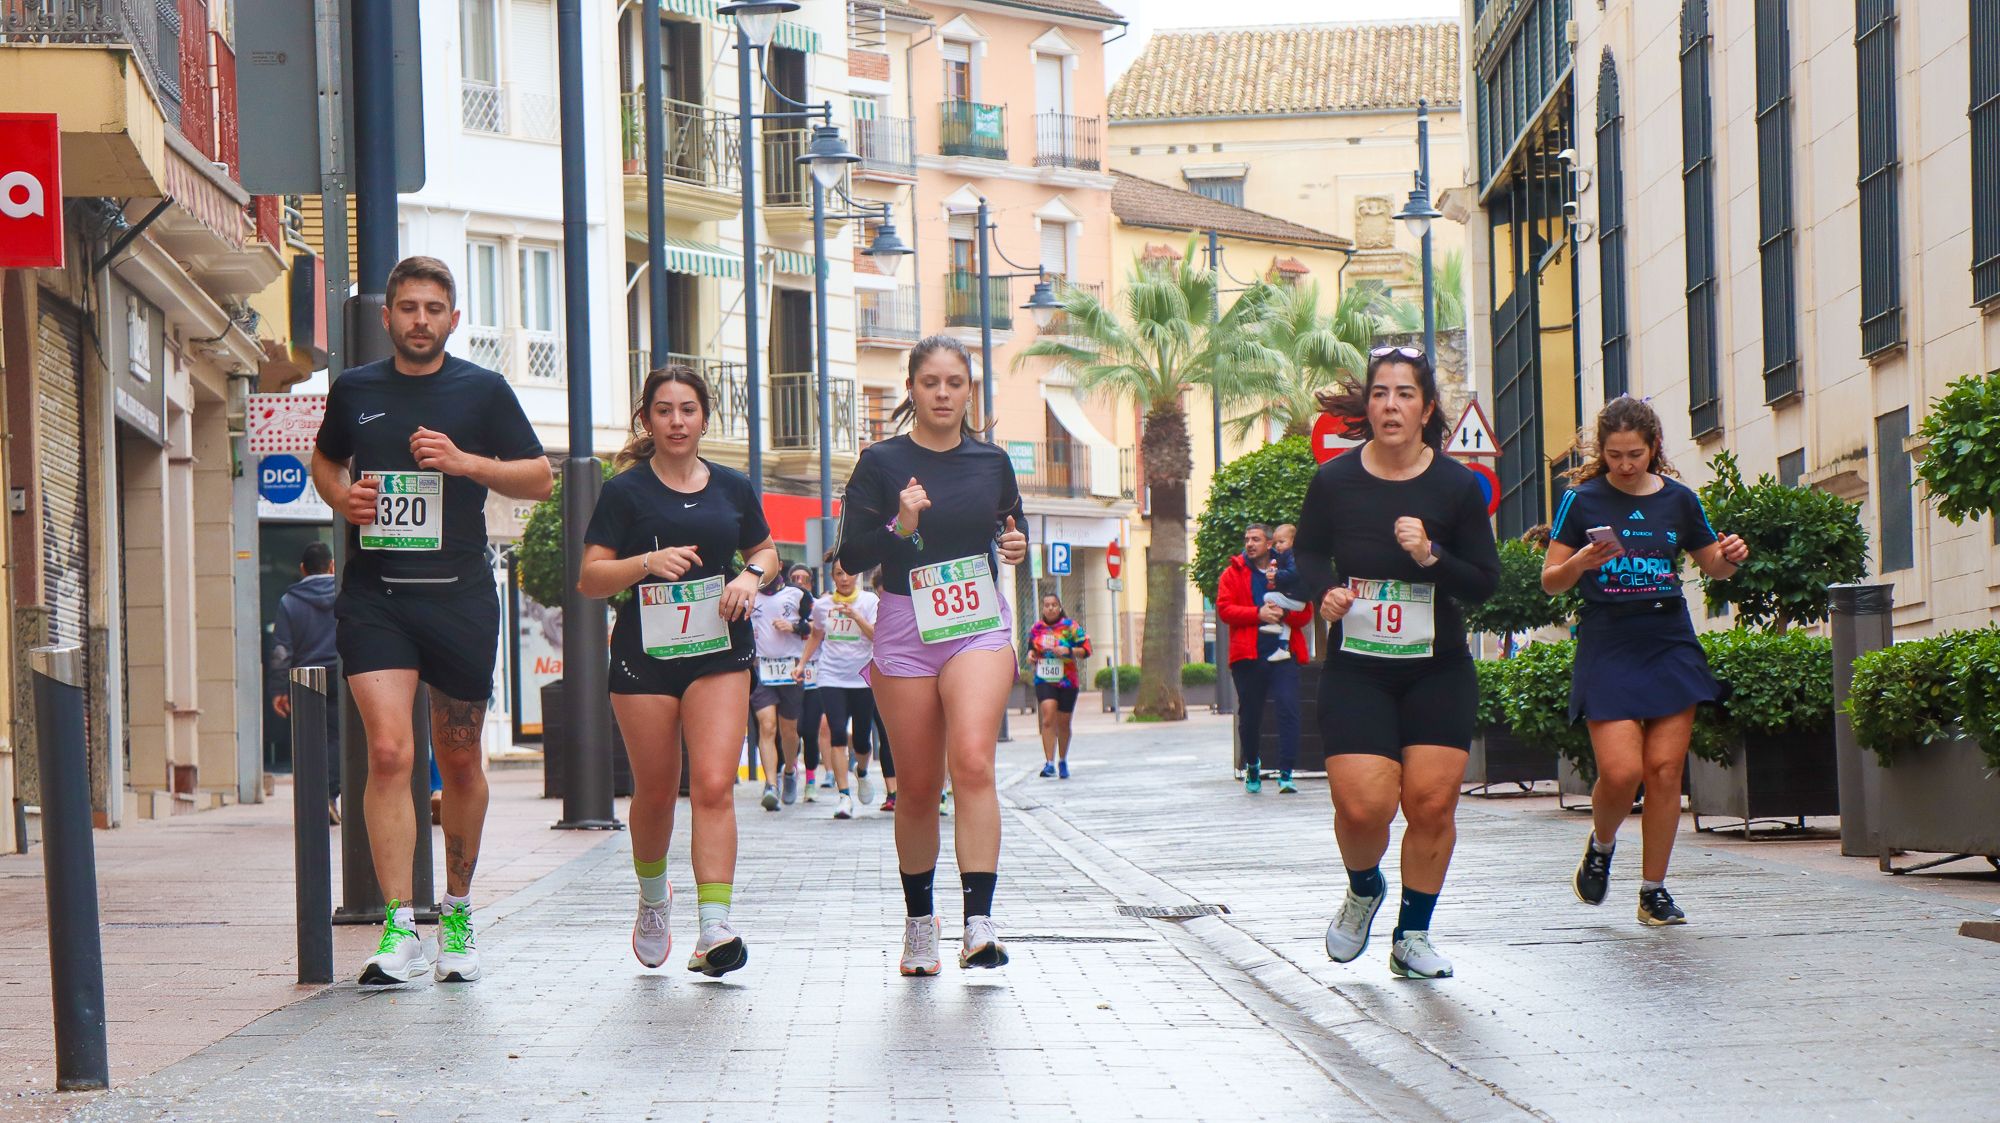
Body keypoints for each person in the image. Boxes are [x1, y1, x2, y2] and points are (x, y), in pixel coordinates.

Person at [309, 256, 553, 986]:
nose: (420, 319)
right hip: (377, 595)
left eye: (433, 307)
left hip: (459, 596)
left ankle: (457, 911)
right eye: (407, 307)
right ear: (387, 317)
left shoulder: (483, 390)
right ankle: (397, 924)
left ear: (453, 318)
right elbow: (325, 461)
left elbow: (540, 476)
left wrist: (465, 461)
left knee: (459, 757)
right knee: (388, 752)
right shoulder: (355, 389)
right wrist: (342, 495)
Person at [1293, 346, 1501, 981]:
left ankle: (1413, 934)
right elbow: (1305, 556)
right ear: (1368, 405)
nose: (1391, 405)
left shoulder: (1455, 486)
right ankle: (1363, 888)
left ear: (1426, 408)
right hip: (1358, 669)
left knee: (1432, 805)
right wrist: (1322, 591)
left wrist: (1432, 554)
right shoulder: (1334, 481)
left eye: (1405, 394)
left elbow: (1485, 583)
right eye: (1380, 393)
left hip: (1436, 670)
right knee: (1362, 809)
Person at [836, 334, 1027, 975]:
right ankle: (921, 924)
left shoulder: (992, 462)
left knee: (971, 761)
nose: (943, 394)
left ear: (970, 390)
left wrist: (1018, 546)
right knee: (918, 787)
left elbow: (1011, 525)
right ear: (910, 389)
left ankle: (979, 922)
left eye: (955, 383)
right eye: (930, 383)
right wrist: (902, 526)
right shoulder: (881, 463)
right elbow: (853, 558)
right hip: (903, 626)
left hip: (975, 622)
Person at [579, 365, 774, 975]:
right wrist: (645, 561)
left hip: (719, 651)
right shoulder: (625, 492)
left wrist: (749, 576)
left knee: (714, 784)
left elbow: (765, 550)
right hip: (646, 659)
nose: (676, 421)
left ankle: (714, 925)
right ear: (647, 420)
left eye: (687, 409)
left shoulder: (734, 487)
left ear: (705, 418)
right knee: (657, 790)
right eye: (663, 410)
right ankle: (654, 898)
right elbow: (590, 579)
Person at [1543, 395, 1748, 927]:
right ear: (1602, 452)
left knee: (1663, 771)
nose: (1625, 465)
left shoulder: (1680, 500)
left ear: (1654, 447)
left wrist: (1728, 558)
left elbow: (1713, 568)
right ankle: (1602, 844)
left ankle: (1653, 890)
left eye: (1635, 453)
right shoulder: (1582, 500)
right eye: (1614, 455)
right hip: (1608, 639)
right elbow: (1551, 579)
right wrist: (1583, 561)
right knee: (1622, 769)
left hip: (1668, 638)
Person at [1216, 524, 1311, 794]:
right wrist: (1258, 614)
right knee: (1250, 716)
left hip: (1284, 655)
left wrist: (1282, 615)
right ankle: (1253, 764)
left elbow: (1304, 613)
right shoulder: (1232, 573)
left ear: (1269, 544)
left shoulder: (1288, 571)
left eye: (1255, 539)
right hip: (1248, 656)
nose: (1249, 544)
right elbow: (1224, 610)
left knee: (1288, 709)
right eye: (1247, 539)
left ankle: (1287, 773)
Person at [797, 556, 880, 818]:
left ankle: (863, 772)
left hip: (862, 677)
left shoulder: (869, 602)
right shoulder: (822, 606)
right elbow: (816, 635)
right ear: (832, 577)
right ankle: (844, 796)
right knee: (836, 732)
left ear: (856, 575)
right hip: (831, 676)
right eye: (839, 574)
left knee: (863, 740)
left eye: (848, 573)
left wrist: (855, 615)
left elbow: (876, 636)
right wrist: (801, 664)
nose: (844, 579)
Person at [271, 541, 340, 825]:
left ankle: (315, 798)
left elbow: (281, 650)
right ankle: (329, 796)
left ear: (302, 569)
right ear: (332, 566)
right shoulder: (345, 593)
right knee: (336, 739)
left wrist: (278, 689)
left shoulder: (289, 601)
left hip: (305, 680)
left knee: (309, 742)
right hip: (340, 674)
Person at [749, 566, 810, 811]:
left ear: (779, 567)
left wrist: (793, 627)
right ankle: (770, 785)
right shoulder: (749, 594)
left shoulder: (798, 595)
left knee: (789, 731)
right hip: (760, 668)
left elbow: (813, 628)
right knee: (767, 725)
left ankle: (789, 770)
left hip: (790, 669)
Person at [1026, 592, 1091, 778]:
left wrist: (1068, 650)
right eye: (1047, 605)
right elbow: (1031, 650)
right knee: (1047, 718)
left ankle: (1062, 760)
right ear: (1042, 608)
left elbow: (1087, 650)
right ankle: (1049, 763)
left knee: (1063, 723)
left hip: (1067, 680)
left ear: (1060, 607)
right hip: (1044, 678)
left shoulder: (1071, 627)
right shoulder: (1036, 628)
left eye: (1054, 604)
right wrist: (1030, 656)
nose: (1050, 608)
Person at [786, 563, 828, 803]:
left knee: (809, 730)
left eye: (804, 579)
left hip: (815, 675)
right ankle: (788, 770)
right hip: (788, 674)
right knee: (790, 729)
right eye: (795, 578)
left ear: (811, 583)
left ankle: (811, 779)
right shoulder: (783, 604)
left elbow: (816, 629)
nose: (799, 582)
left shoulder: (818, 606)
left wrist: (794, 627)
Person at [1261, 524, 1309, 662]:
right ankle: (1283, 648)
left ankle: (1275, 623)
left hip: (1295, 597)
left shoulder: (1292, 555)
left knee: (1268, 597)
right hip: (1297, 598)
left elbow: (1293, 573)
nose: (1278, 546)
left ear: (1293, 541)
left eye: (1281, 542)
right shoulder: (1289, 556)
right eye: (1276, 543)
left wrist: (1276, 575)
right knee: (1286, 622)